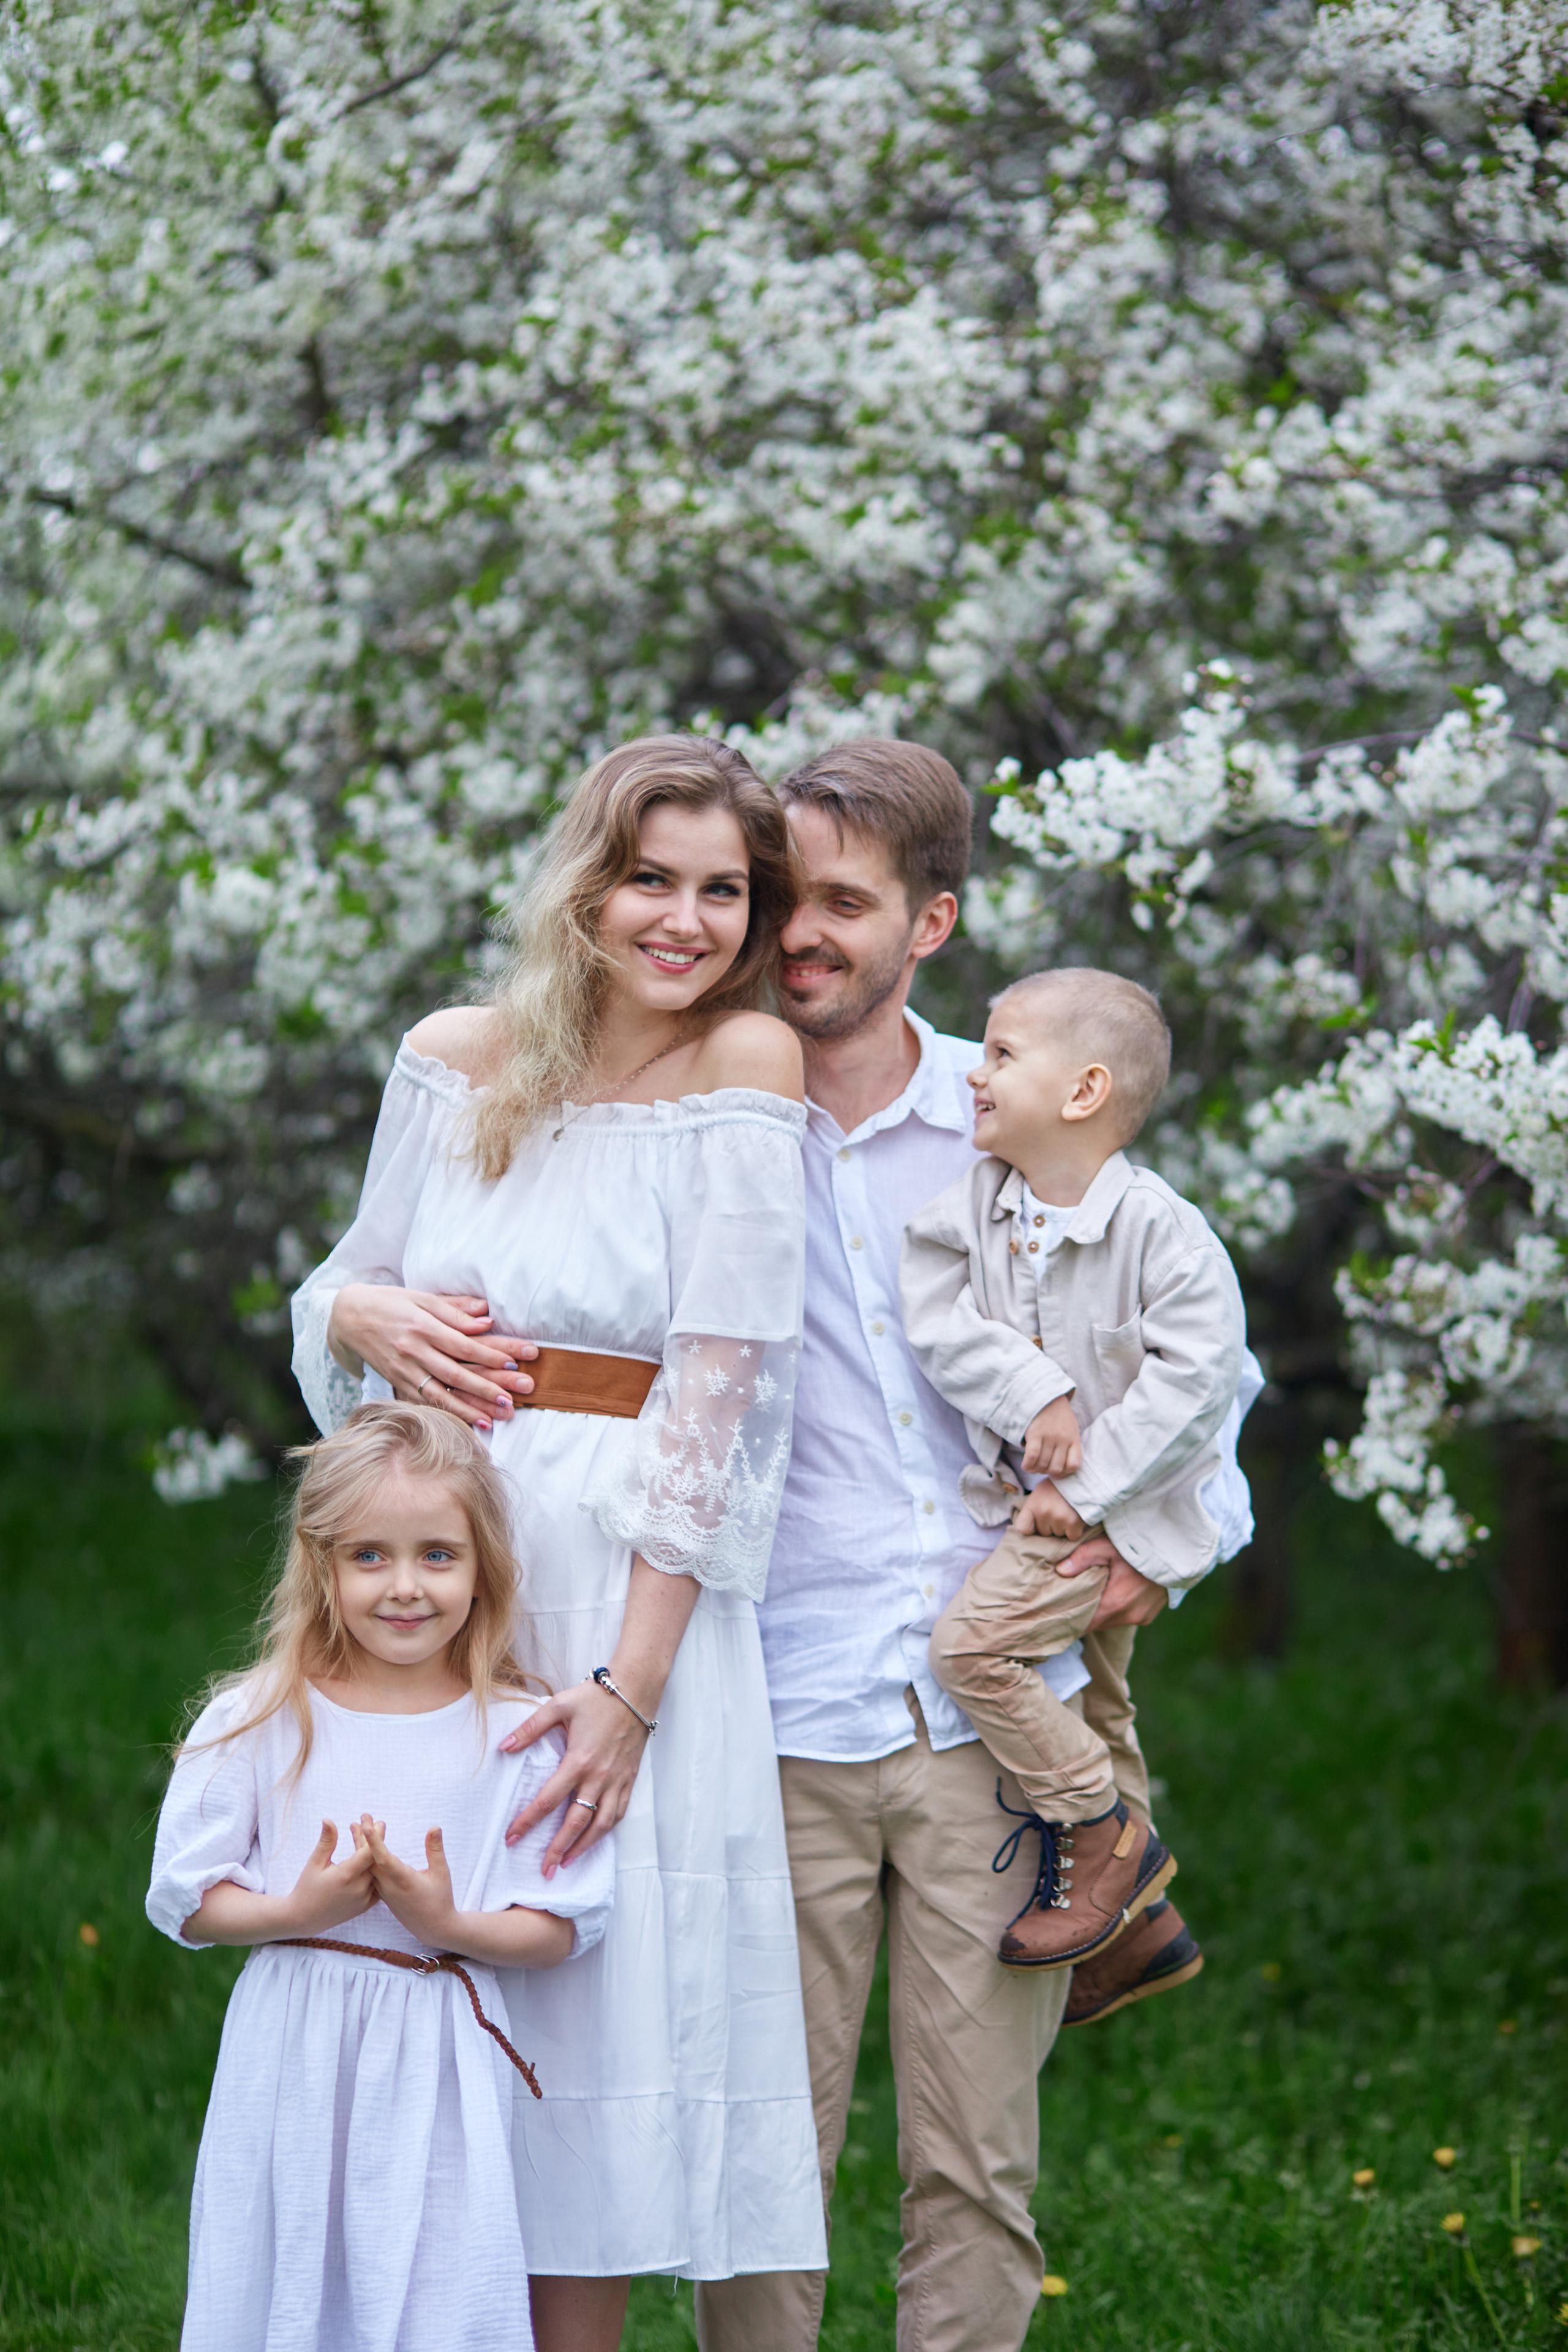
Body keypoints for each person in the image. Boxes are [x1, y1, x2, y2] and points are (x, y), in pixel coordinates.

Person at [692, 739, 1261, 2352]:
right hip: (769, 1707)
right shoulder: (695, 1123)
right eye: (785, 896)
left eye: (847, 904)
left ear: (928, 926)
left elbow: (1206, 1362)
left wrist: (1175, 1538)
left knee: (976, 2172)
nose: (803, 930)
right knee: (759, 2168)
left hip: (987, 1722)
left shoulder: (1020, 1104)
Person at [288, 737, 827, 2351]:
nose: (683, 918)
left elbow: (729, 1393)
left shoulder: (746, 1063)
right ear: (585, 882)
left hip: (623, 1581)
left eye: (722, 889)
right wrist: (358, 1308)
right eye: (650, 878)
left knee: (587, 2009)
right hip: (429, 1568)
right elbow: (340, 1296)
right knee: (428, 1969)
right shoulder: (460, 1057)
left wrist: (628, 1688)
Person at [146, 1403, 616, 2352]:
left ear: (485, 1568)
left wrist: (451, 1922)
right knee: (290, 2276)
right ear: (322, 1567)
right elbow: (186, 1899)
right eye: (370, 1557)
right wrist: (298, 1908)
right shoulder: (260, 1716)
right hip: (295, 2058)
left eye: (437, 1555)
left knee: (439, 2288)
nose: (405, 1587)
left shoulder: (519, 1735)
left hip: (441, 2061)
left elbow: (566, 1921)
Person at [902, 965, 1247, 1974]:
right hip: (1036, 1505)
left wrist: (1086, 1491)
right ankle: (1127, 1937)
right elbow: (935, 1318)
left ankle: (1099, 1834)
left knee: (971, 1653)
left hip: (1102, 1522)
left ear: (1084, 1092)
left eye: (1002, 1054)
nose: (976, 1072)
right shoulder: (972, 1207)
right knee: (1095, 1703)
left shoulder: (1163, 1233)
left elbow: (1199, 1382)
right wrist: (1031, 1393)